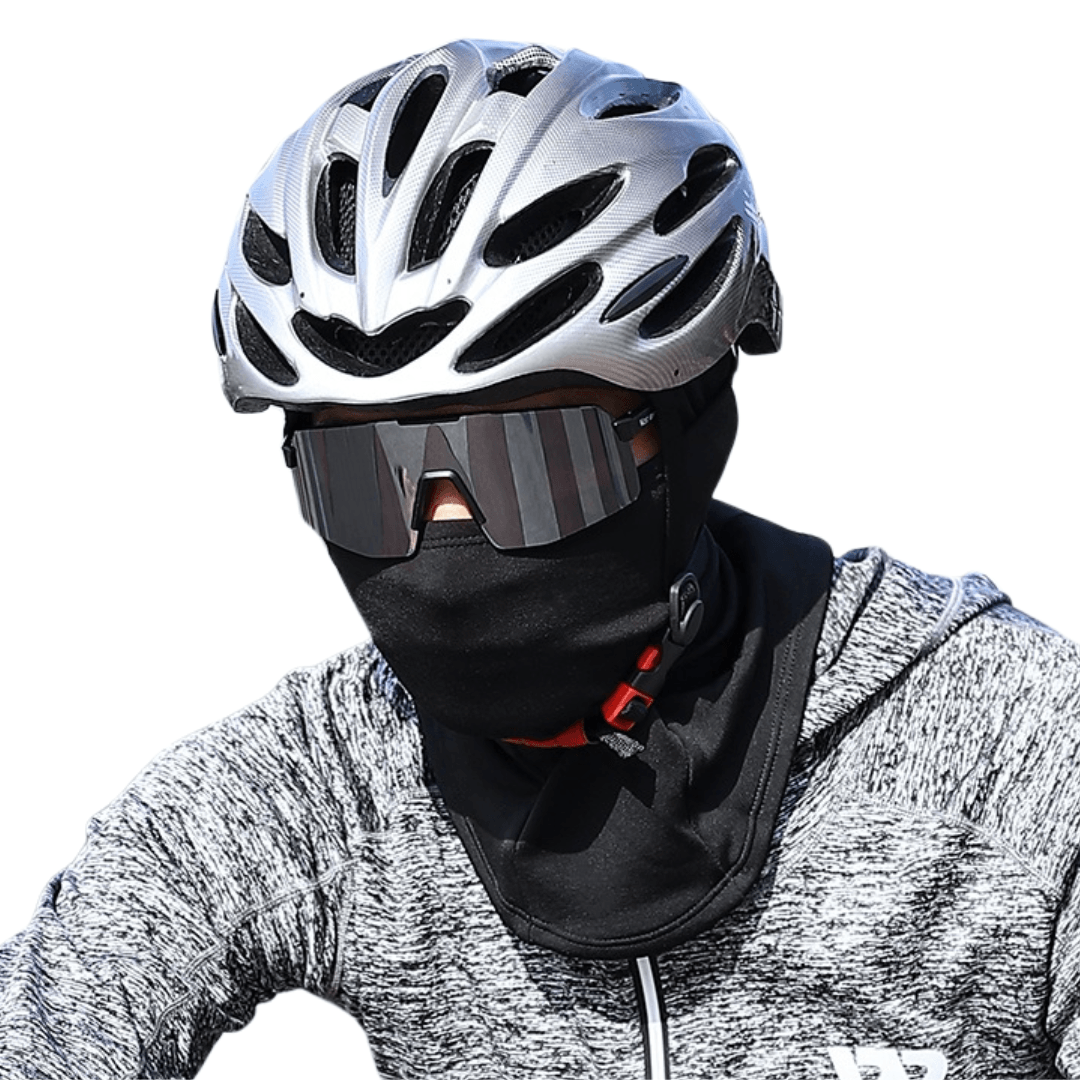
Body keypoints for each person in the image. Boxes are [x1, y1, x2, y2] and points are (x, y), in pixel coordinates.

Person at [2, 38, 1079, 1080]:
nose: (440, 544)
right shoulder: (333, 776)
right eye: (364, 480)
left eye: (527, 463)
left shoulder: (1013, 746)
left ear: (687, 418)